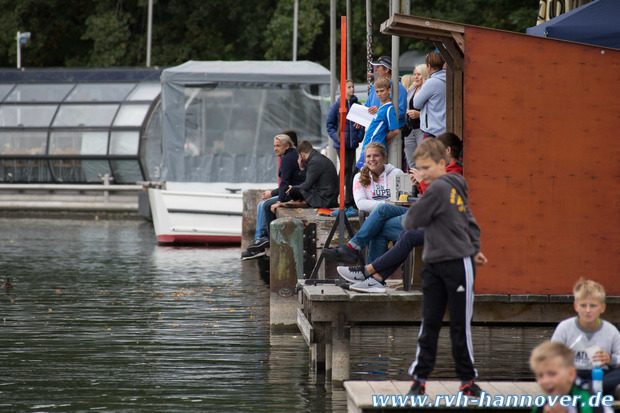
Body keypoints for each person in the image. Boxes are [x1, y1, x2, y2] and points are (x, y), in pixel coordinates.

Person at [402, 138, 487, 397]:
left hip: (455, 262)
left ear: (442, 163)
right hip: (442, 260)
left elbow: (410, 220)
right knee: (452, 323)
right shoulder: (457, 184)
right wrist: (475, 248)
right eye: (420, 168)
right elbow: (468, 218)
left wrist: (425, 193)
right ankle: (466, 381)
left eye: (426, 168)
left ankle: (421, 380)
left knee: (435, 322)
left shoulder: (439, 188)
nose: (423, 173)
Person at [337, 133, 463, 293]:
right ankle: (371, 277)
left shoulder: (454, 172)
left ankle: (368, 274)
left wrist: (424, 183)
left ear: (448, 150)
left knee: (388, 225)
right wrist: (421, 185)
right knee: (382, 220)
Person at [551, 278, 620, 397]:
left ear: (602, 308)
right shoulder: (564, 327)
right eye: (583, 305)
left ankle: (583, 389)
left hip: (601, 374)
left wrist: (610, 358)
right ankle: (595, 389)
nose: (588, 310)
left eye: (593, 306)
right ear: (576, 306)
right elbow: (550, 357)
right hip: (573, 373)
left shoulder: (611, 331)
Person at [242, 133, 304, 260]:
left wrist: (279, 201)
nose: (275, 148)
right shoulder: (291, 155)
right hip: (294, 191)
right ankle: (260, 238)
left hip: (296, 194)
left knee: (266, 205)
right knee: (261, 204)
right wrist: (273, 193)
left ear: (287, 146)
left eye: (278, 146)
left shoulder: (287, 158)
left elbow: (285, 183)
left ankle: (267, 238)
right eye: (274, 146)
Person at [529, 341, 614, 413]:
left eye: (552, 374)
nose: (545, 381)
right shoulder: (542, 405)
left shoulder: (589, 403)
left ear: (571, 374)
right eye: (540, 375)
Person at [326, 79, 364, 215]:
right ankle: (344, 198)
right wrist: (338, 137)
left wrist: (359, 137)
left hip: (352, 144)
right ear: (343, 89)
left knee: (349, 169)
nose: (352, 89)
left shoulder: (357, 105)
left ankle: (345, 198)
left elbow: (362, 123)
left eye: (353, 87)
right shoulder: (336, 106)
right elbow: (329, 124)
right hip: (341, 143)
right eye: (349, 87)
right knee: (346, 168)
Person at [278, 140, 339, 209]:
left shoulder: (314, 162)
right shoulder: (317, 158)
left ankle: (301, 201)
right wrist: (302, 168)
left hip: (324, 199)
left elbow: (307, 185)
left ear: (302, 155)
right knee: (295, 188)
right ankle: (302, 201)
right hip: (328, 197)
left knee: (293, 190)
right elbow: (310, 179)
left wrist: (292, 189)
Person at [355, 77, 400, 170]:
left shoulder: (388, 109)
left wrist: (384, 137)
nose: (379, 94)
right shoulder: (381, 108)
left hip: (373, 149)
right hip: (367, 147)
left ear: (389, 91)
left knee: (357, 175)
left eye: (382, 91)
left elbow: (395, 131)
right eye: (377, 91)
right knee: (361, 177)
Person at [352, 142, 403, 214]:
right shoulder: (359, 177)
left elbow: (404, 199)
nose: (372, 159)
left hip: (395, 215)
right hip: (373, 216)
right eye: (368, 156)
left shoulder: (397, 173)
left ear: (384, 157)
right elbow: (360, 203)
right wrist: (387, 205)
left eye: (376, 155)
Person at [365, 55, 407, 128]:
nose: (375, 70)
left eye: (378, 67)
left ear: (386, 70)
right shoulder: (374, 86)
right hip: (375, 129)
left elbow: (400, 112)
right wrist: (360, 119)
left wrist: (380, 111)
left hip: (390, 132)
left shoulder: (398, 87)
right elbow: (367, 107)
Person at [413, 52, 446, 138]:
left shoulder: (431, 83)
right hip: (445, 129)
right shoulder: (449, 79)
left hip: (433, 131)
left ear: (429, 66)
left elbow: (416, 103)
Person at [403, 64, 429, 169]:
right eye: (415, 74)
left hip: (421, 129)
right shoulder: (411, 89)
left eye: (419, 74)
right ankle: (414, 184)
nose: (416, 77)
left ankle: (422, 184)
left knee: (422, 160)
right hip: (410, 129)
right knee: (411, 162)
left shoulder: (427, 88)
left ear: (424, 75)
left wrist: (419, 114)